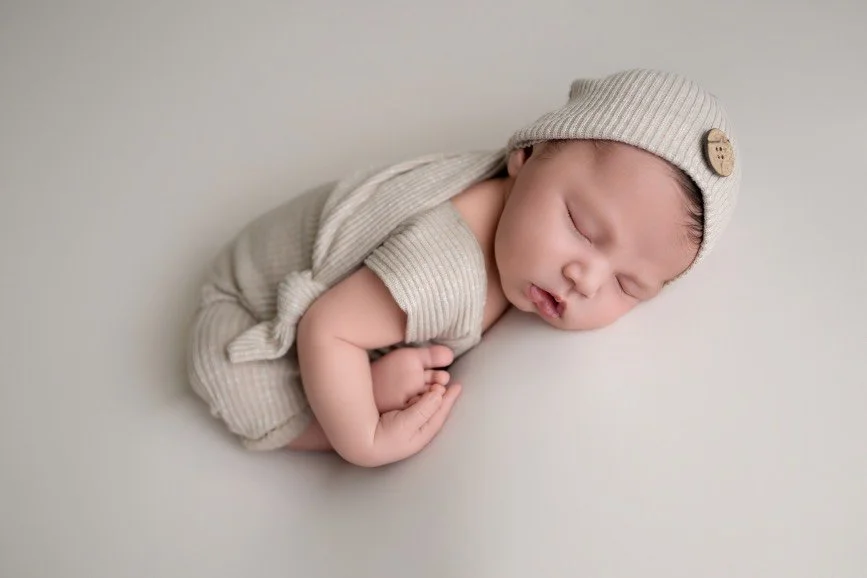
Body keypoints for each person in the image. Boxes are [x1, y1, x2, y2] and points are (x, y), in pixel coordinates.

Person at [186, 69, 741, 467]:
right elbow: (324, 326)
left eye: (628, 285)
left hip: (330, 290)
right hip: (242, 308)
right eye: (581, 226)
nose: (586, 279)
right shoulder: (448, 269)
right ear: (526, 154)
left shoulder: (516, 208)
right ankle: (327, 423)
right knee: (235, 388)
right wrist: (365, 438)